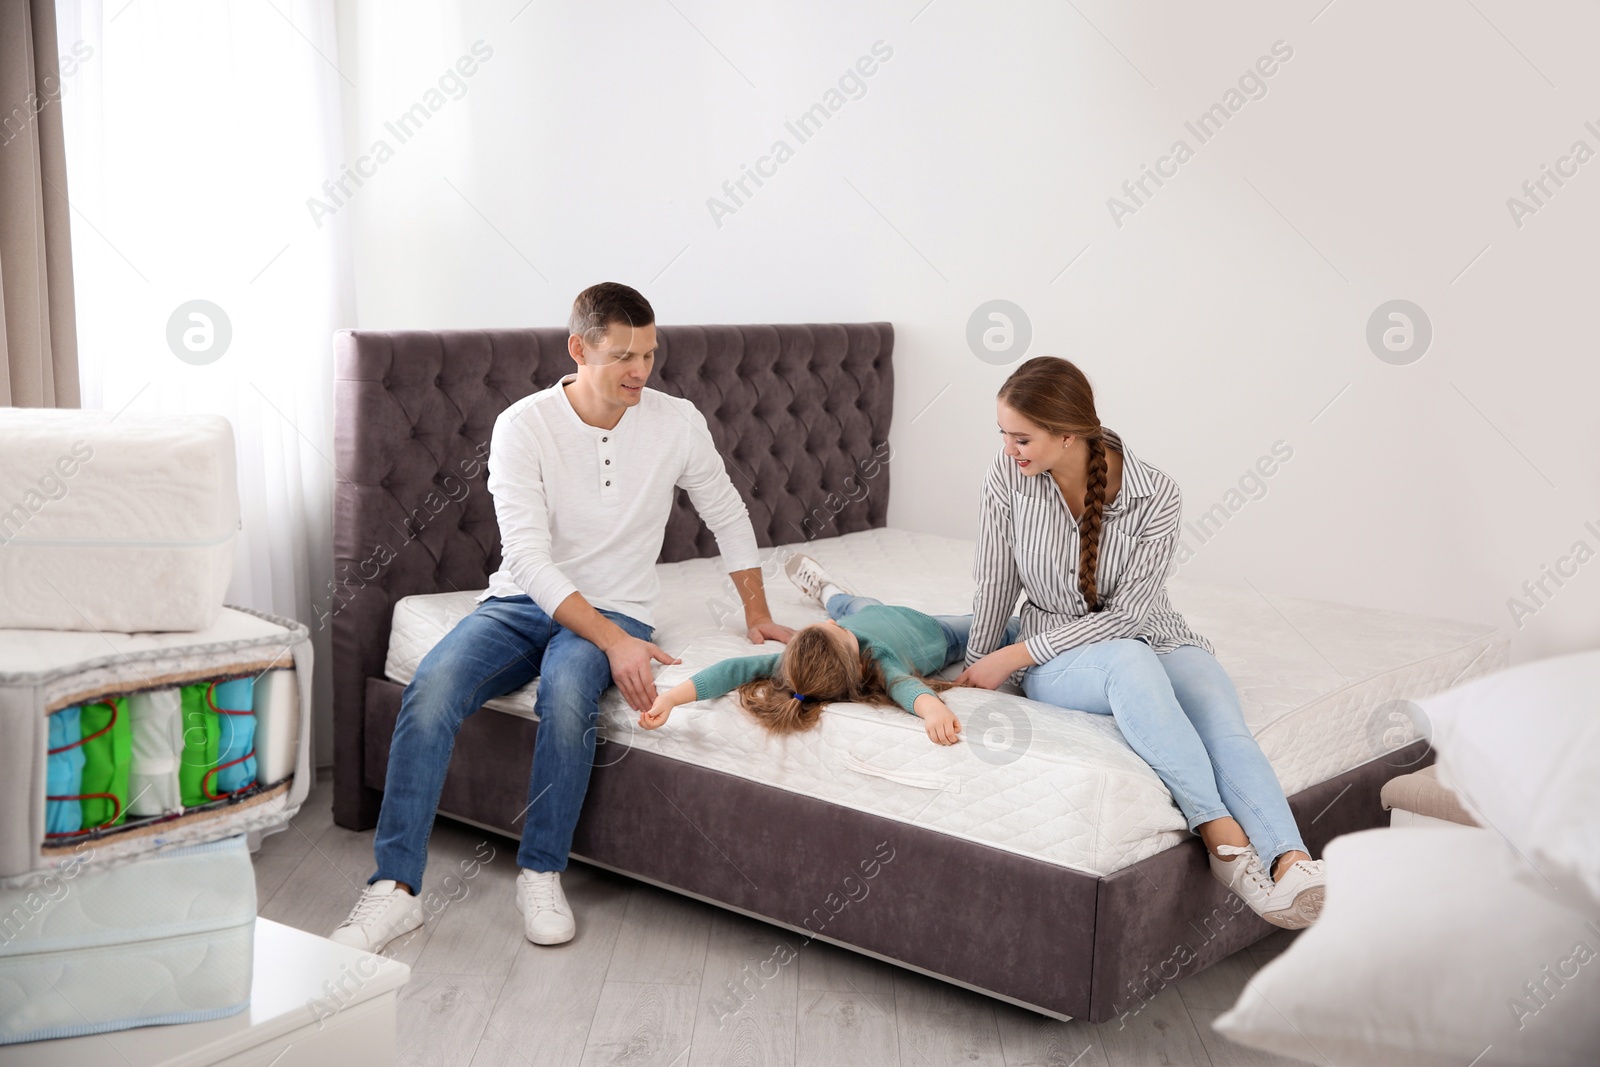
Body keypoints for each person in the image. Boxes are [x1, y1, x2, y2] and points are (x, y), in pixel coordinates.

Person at [331, 283, 795, 953]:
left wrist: (757, 612)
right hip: (523, 600)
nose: (641, 370)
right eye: (623, 356)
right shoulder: (525, 424)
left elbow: (725, 509)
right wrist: (615, 644)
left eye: (650, 353)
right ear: (578, 349)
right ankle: (395, 890)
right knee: (430, 689)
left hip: (620, 604)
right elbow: (525, 555)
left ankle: (541, 869)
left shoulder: (677, 420)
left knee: (570, 691)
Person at [955, 356, 1327, 929]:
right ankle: (1220, 836)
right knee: (1126, 661)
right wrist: (987, 661)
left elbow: (1130, 613)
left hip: (1156, 632)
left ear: (1068, 433)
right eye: (1003, 435)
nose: (1010, 449)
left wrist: (1013, 653)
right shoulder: (1005, 478)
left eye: (1022, 437)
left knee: (1219, 720)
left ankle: (1291, 863)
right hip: (1059, 651)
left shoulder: (1157, 495)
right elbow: (995, 581)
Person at [640, 554, 1021, 744]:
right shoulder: (878, 661)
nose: (831, 628)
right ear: (855, 661)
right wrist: (933, 708)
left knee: (849, 607)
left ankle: (827, 591)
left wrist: (672, 697)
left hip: (870, 612)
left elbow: (733, 669)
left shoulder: (791, 661)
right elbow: (906, 688)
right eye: (838, 634)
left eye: (825, 629)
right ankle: (1036, 627)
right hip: (935, 630)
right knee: (997, 627)